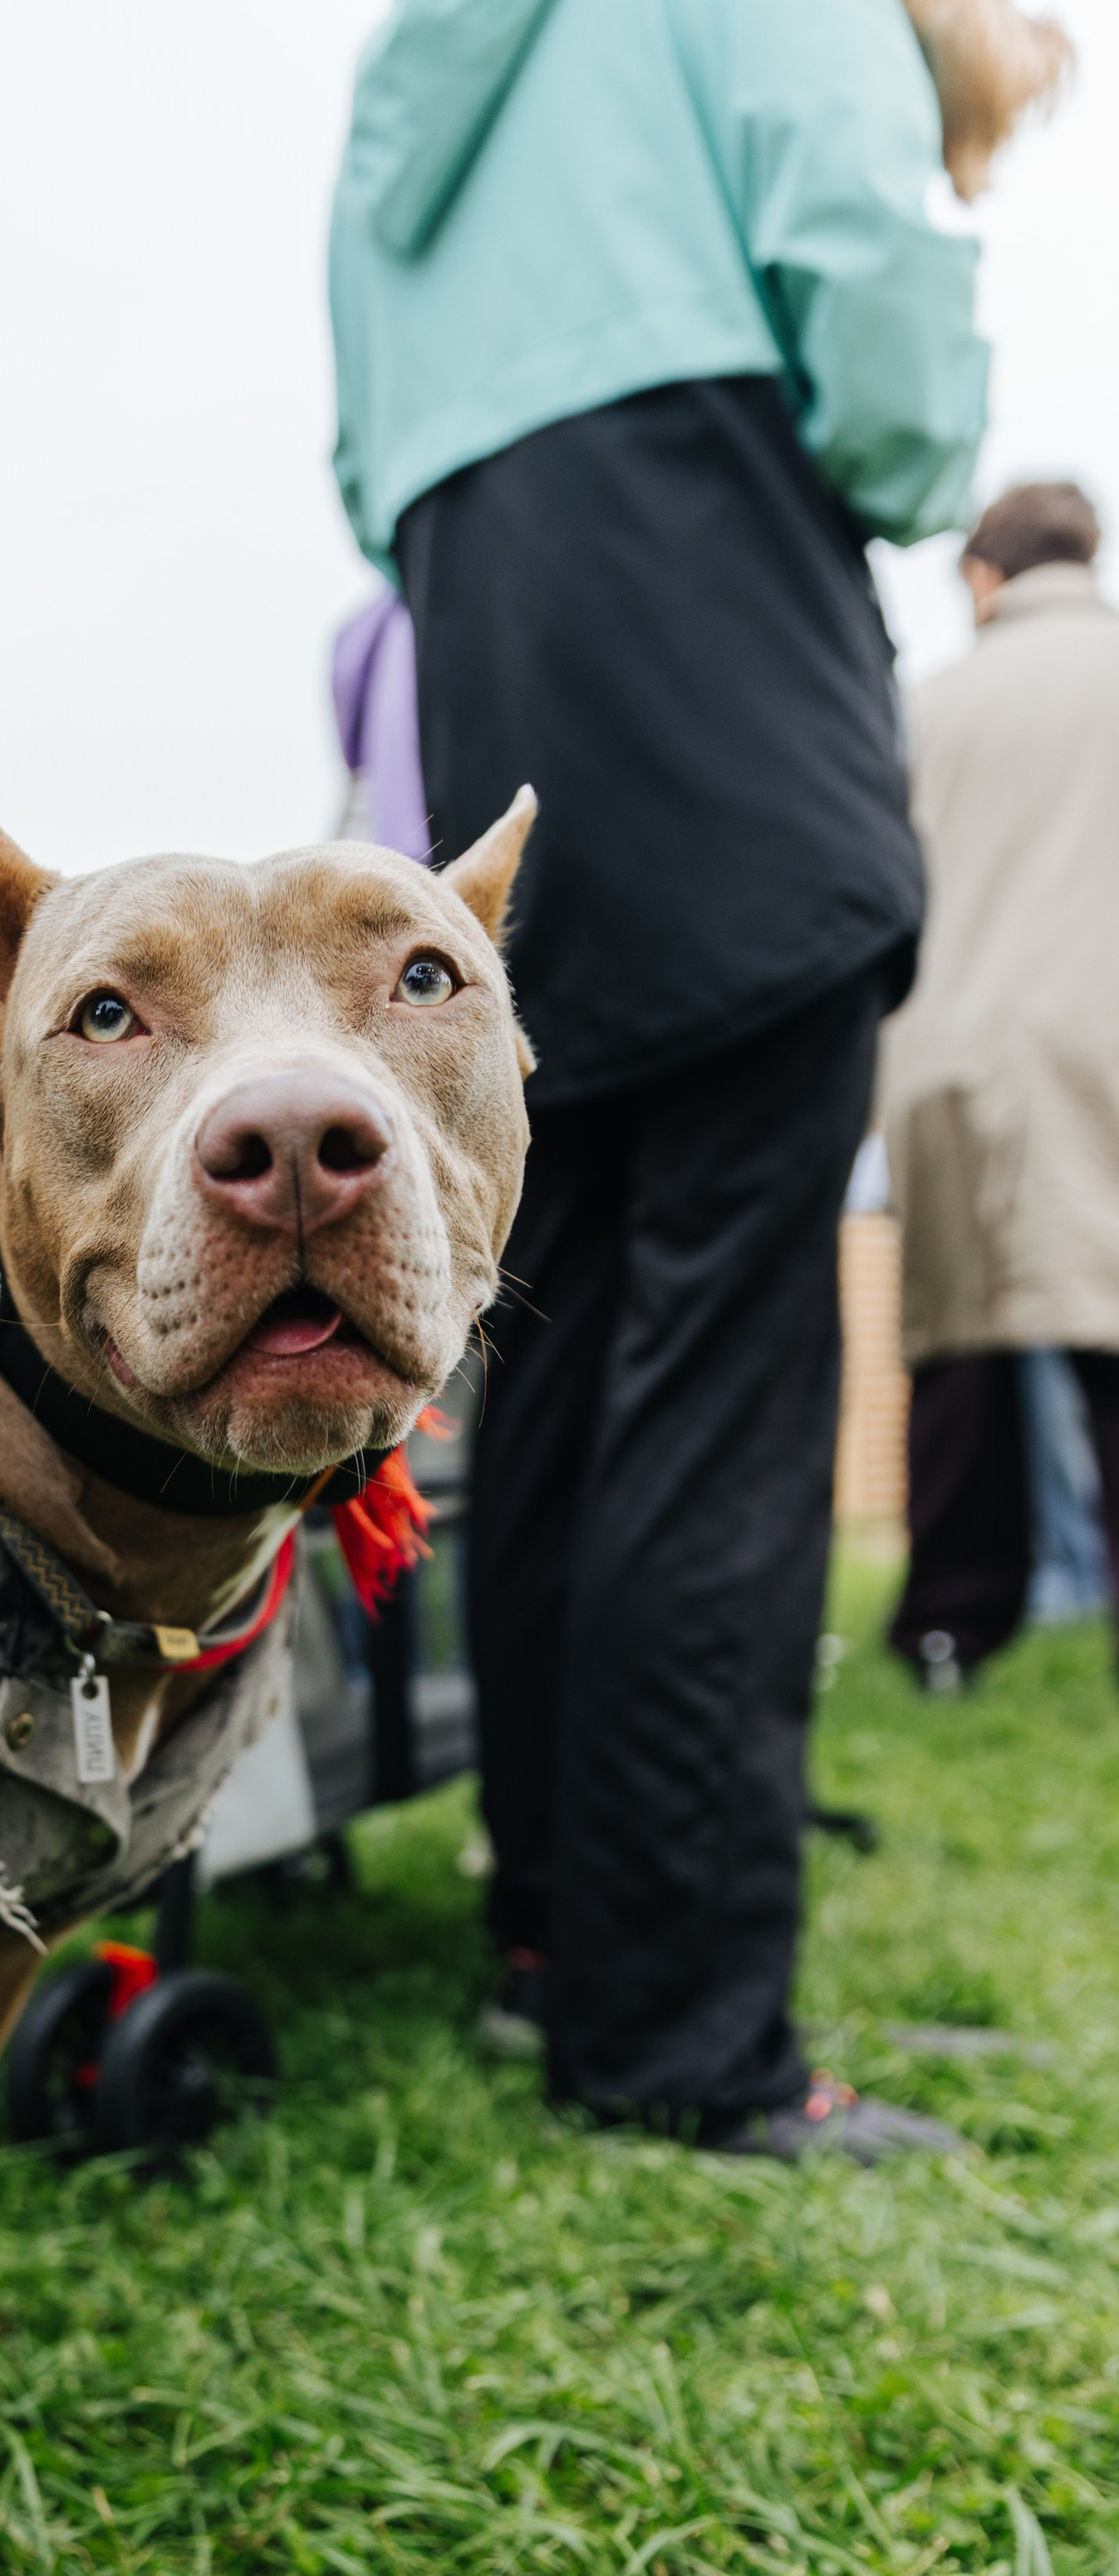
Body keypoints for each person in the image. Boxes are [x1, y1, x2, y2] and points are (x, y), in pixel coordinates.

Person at [329, 0, 1062, 2159]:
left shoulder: (416, 68)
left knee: (553, 1350)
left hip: (503, 641)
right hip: (723, 633)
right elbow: (885, 338)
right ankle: (687, 2036)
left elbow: (365, 460)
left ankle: (560, 1940)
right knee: (726, 1383)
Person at [881, 483, 1119, 1688]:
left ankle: (949, 1628)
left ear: (983, 577)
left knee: (963, 1351)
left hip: (960, 1056)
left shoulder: (931, 707)